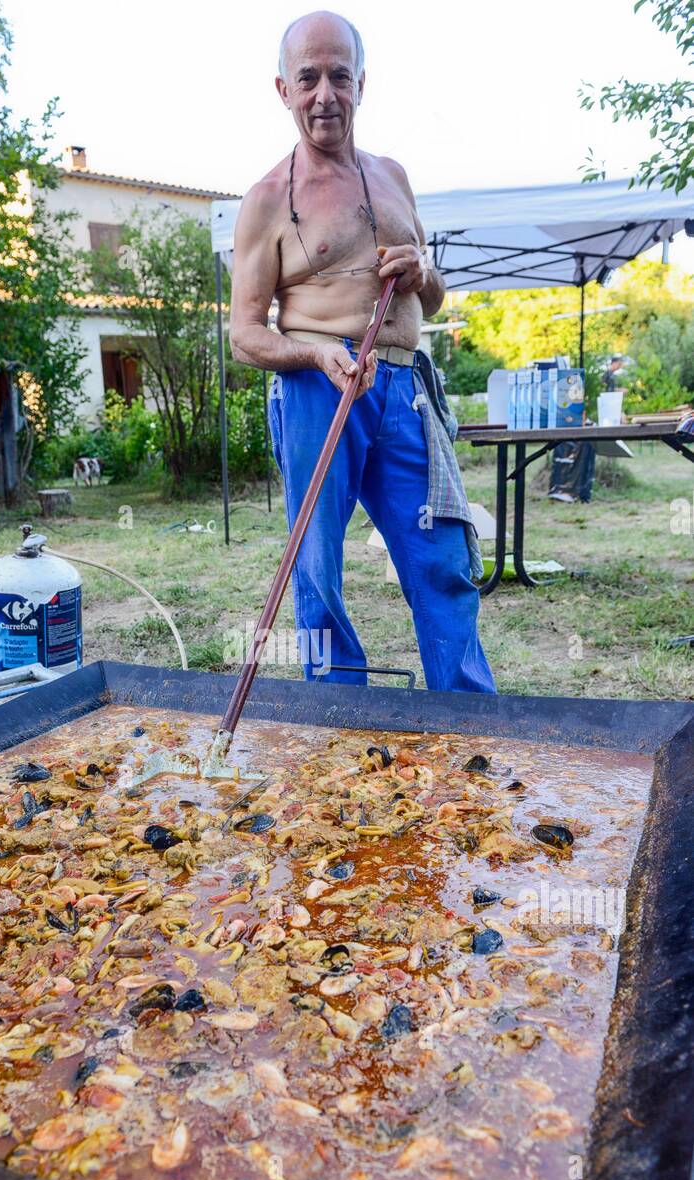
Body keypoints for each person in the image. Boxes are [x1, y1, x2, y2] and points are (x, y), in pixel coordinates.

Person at [229, 10, 495, 693]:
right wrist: (316, 357)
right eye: (308, 78)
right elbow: (245, 333)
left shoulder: (393, 176)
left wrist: (423, 273)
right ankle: (336, 730)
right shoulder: (265, 201)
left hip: (404, 388)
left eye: (339, 77)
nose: (325, 95)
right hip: (320, 390)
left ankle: (469, 721)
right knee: (317, 571)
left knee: (442, 558)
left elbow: (429, 301)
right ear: (282, 89)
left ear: (361, 84)